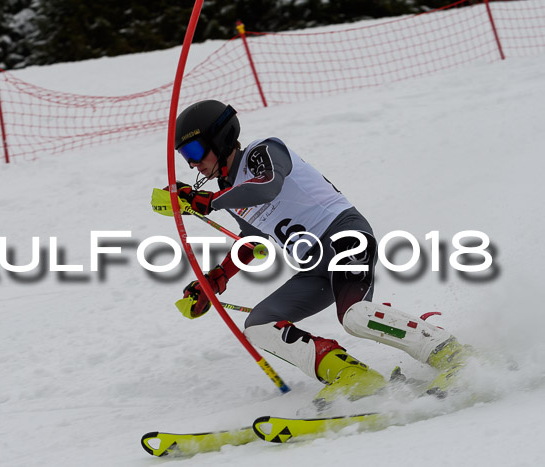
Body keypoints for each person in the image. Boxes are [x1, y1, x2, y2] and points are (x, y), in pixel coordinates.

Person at [168, 99, 471, 402]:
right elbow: (252, 240)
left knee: (354, 317)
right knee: (259, 325)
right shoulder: (229, 191)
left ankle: (451, 353)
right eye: (185, 156)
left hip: (345, 238)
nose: (192, 163)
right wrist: (217, 279)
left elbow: (267, 186)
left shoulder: (263, 152)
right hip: (315, 269)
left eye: (194, 151)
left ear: (219, 138)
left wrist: (207, 202)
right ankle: (352, 376)